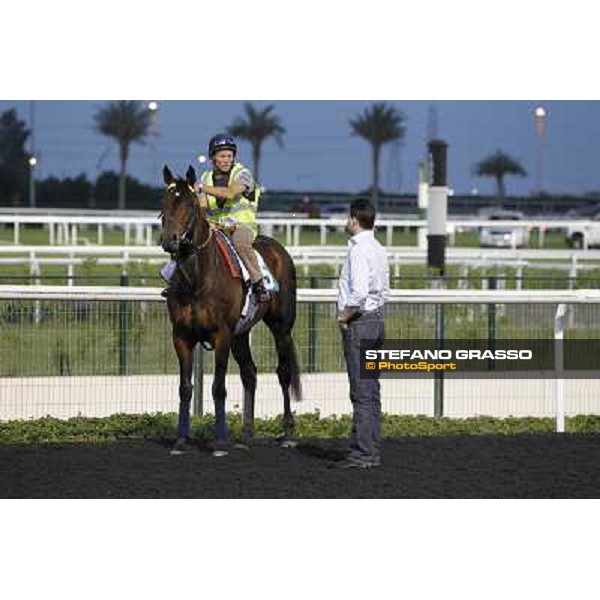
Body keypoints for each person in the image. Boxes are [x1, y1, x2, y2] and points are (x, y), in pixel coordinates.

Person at [161, 133, 270, 303]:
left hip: (242, 228)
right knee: (184, 242)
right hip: (215, 227)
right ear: (213, 158)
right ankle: (175, 281)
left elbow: (230, 192)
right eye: (222, 156)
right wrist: (204, 220)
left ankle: (258, 283)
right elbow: (203, 206)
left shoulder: (243, 174)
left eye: (229, 155)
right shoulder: (206, 177)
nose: (227, 159)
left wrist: (202, 188)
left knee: (240, 242)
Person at [336, 198, 389, 469]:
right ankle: (371, 449)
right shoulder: (379, 248)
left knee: (361, 392)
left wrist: (343, 317)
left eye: (348, 217)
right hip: (377, 321)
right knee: (371, 390)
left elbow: (358, 293)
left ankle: (362, 453)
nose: (346, 222)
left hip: (361, 323)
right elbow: (383, 290)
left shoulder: (358, 251)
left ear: (355, 219)